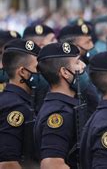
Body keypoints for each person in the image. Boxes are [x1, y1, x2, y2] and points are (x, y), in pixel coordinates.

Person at [34, 42, 86, 168]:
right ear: (65, 73)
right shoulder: (59, 113)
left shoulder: (63, 105)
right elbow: (51, 164)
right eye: (78, 62)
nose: (83, 65)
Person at [0, 39, 41, 168]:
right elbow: (8, 163)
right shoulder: (15, 107)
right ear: (22, 72)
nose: (41, 72)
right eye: (37, 68)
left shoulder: (16, 100)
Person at [58, 24, 99, 115]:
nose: (92, 46)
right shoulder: (70, 71)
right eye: (87, 43)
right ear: (73, 46)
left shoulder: (87, 65)